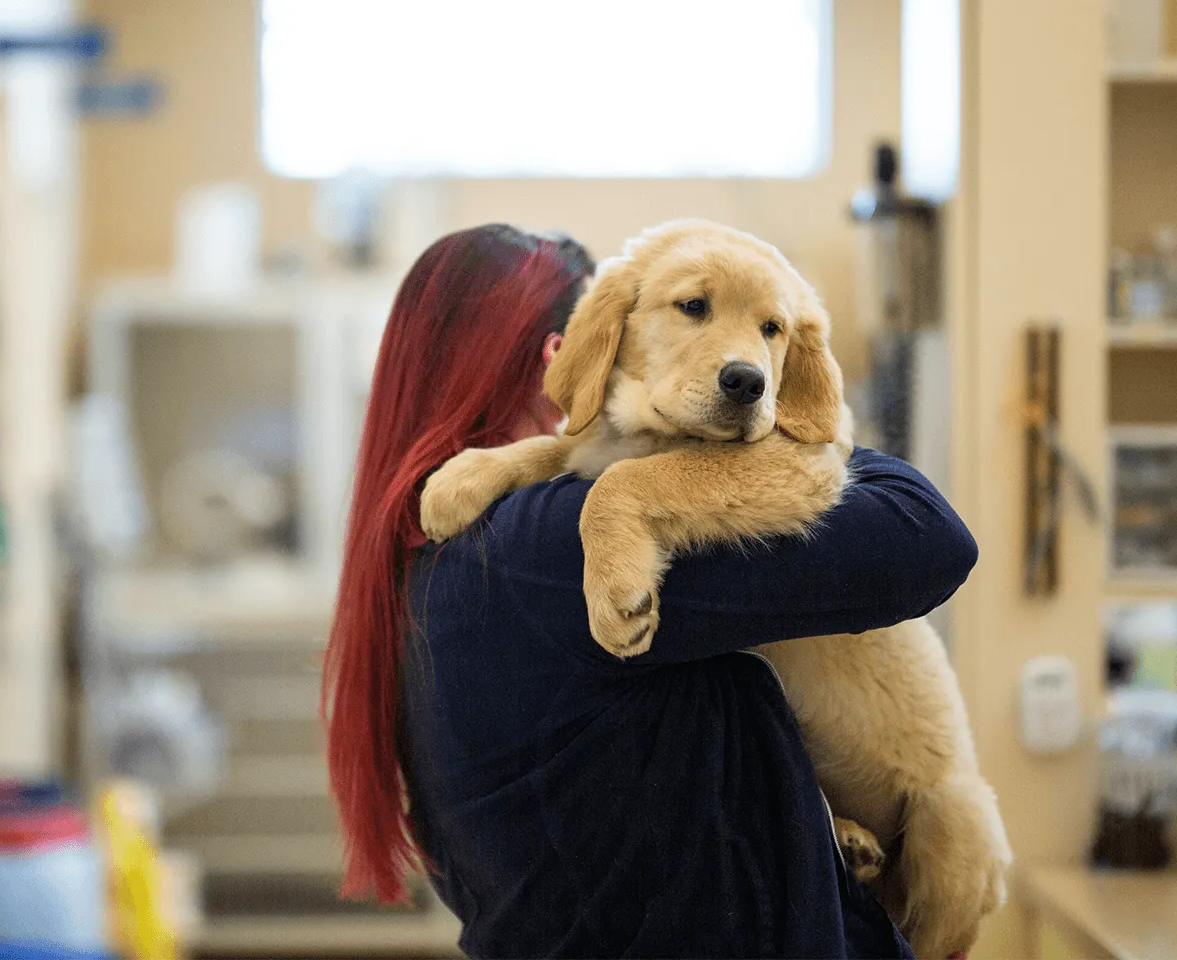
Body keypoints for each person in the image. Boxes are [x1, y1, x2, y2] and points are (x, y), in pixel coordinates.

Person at [322, 224, 977, 959]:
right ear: (570, 353)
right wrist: (796, 421)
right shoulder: (549, 548)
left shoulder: (446, 557)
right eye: (688, 311)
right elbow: (924, 536)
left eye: (768, 330)